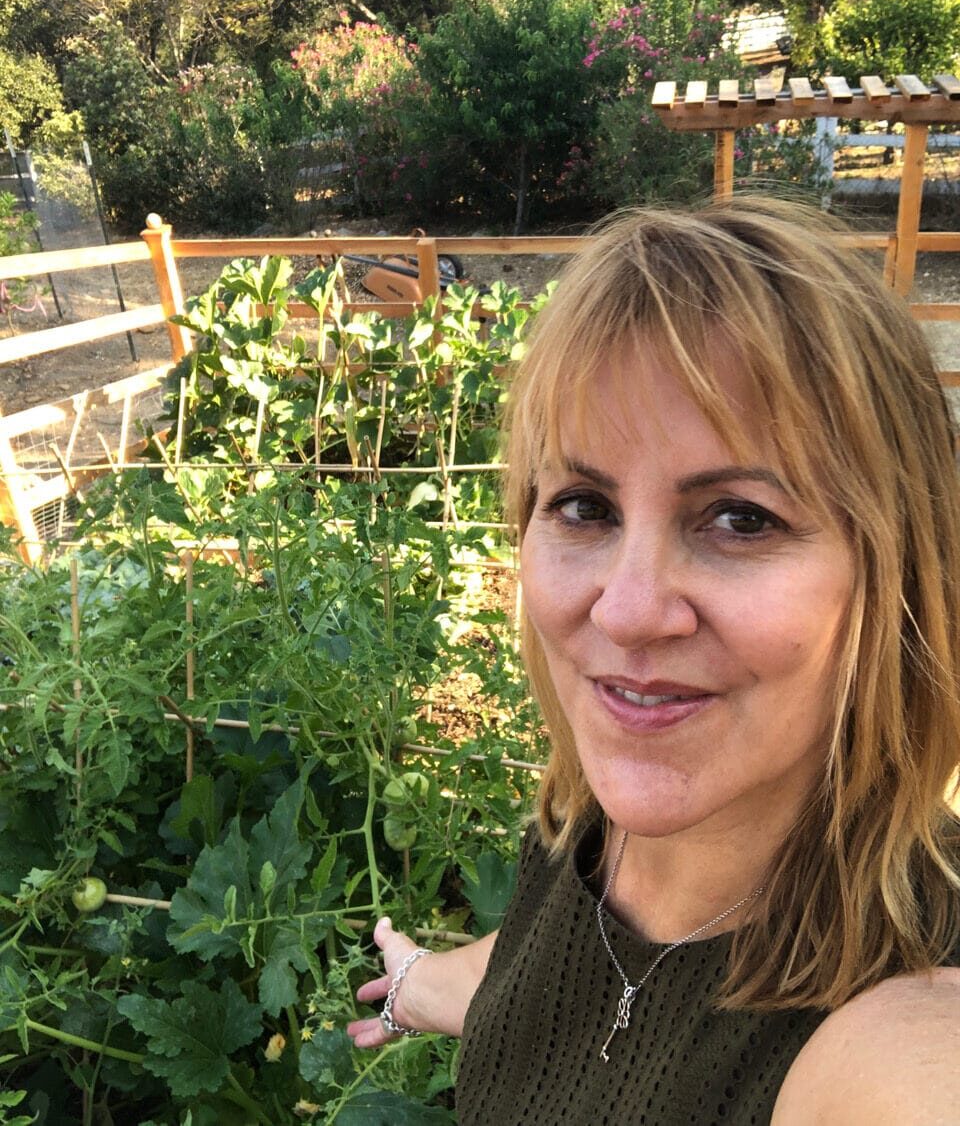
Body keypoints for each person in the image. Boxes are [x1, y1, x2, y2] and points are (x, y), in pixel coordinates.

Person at [347, 198, 960, 1124]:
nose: (627, 611)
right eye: (584, 507)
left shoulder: (900, 1037)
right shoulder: (582, 830)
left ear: (899, 571)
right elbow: (551, 985)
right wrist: (418, 984)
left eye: (741, 519)